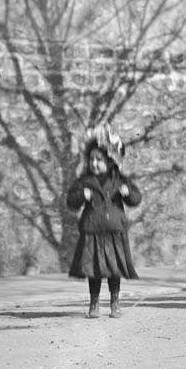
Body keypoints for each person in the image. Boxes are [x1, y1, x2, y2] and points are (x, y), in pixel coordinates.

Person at [67, 124, 142, 319]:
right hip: (93, 231)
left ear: (110, 161)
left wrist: (128, 194)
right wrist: (81, 195)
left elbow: (135, 198)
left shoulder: (119, 180)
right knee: (95, 270)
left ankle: (115, 302)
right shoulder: (84, 180)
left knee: (114, 269)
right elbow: (71, 202)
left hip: (114, 231)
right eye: (91, 159)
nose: (94, 163)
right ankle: (94, 304)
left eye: (99, 160)